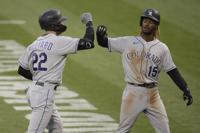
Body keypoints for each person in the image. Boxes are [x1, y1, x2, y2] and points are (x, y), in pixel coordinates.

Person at [96, 8, 193, 133]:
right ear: (141, 22)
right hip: (133, 93)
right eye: (145, 20)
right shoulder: (128, 42)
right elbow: (104, 42)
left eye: (151, 22)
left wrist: (185, 88)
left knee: (165, 130)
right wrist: (100, 35)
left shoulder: (162, 48)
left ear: (156, 26)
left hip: (153, 95)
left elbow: (172, 70)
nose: (147, 24)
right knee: (123, 130)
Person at [17, 9, 94, 133]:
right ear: (54, 25)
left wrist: (39, 79)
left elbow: (21, 69)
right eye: (60, 21)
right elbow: (88, 43)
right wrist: (89, 23)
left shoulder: (34, 44)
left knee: (56, 128)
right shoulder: (58, 41)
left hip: (34, 90)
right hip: (43, 94)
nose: (63, 23)